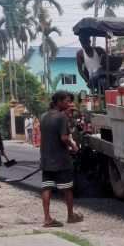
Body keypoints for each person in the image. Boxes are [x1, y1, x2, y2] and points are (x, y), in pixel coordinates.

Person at [39, 91, 83, 227]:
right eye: (67, 101)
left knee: (47, 188)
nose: (69, 104)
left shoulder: (44, 116)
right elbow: (64, 137)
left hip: (46, 158)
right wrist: (74, 146)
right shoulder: (61, 117)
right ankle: (70, 215)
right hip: (61, 159)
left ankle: (47, 218)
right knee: (67, 188)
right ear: (58, 101)